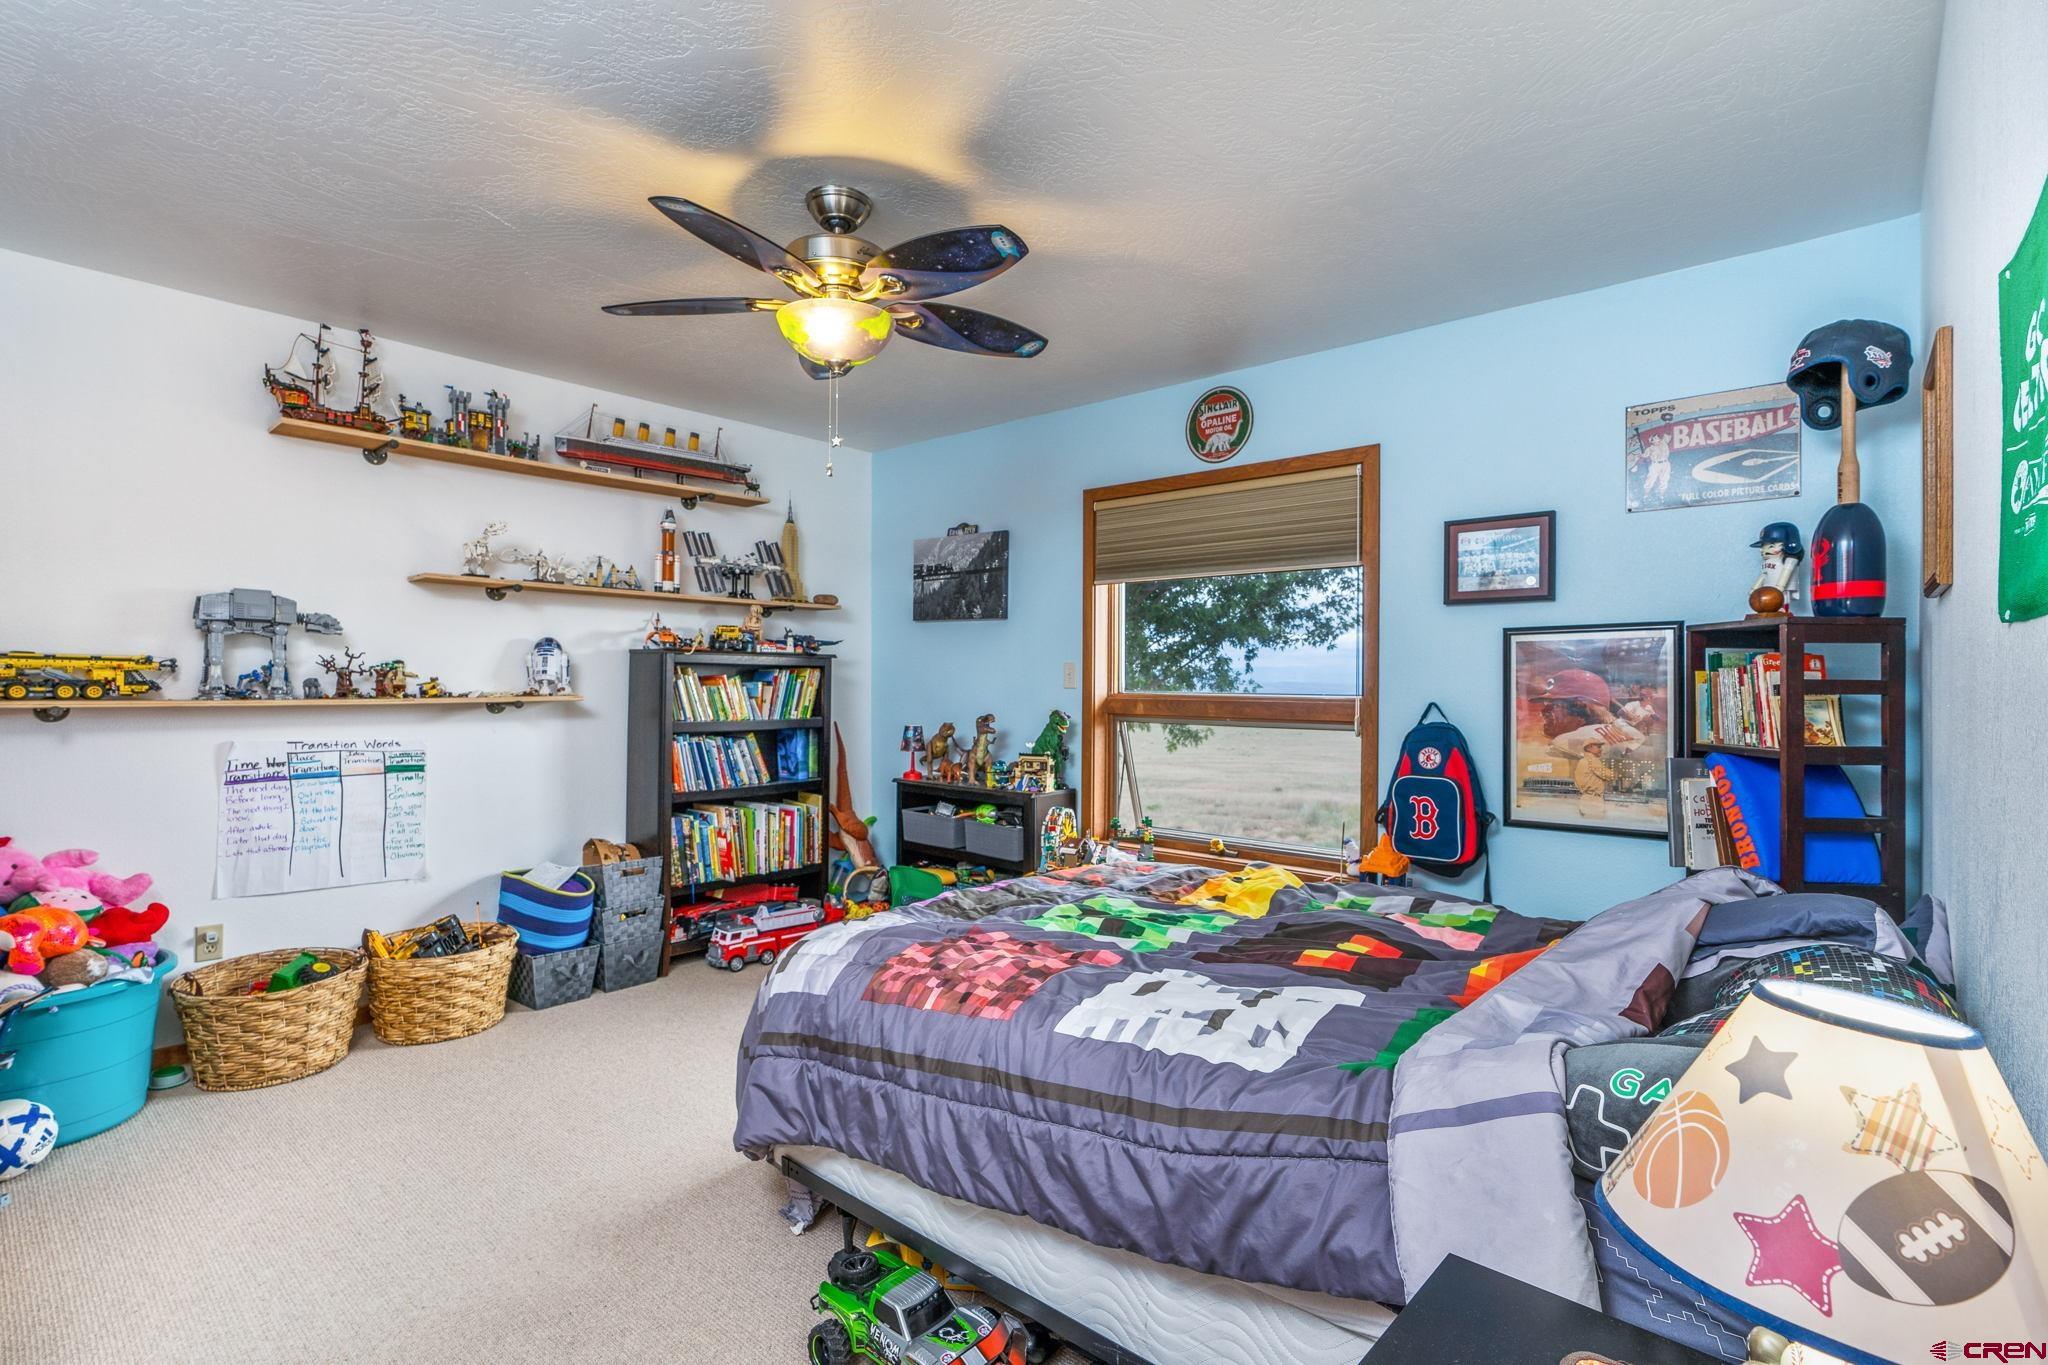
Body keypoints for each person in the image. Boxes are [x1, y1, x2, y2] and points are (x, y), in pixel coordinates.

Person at [1575, 738, 1617, 820]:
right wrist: (1616, 772)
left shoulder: (1582, 761)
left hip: (1585, 797)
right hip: (1593, 799)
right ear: (1589, 748)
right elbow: (1609, 775)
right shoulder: (1592, 760)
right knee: (1595, 823)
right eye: (1598, 747)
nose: (1601, 749)